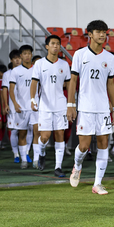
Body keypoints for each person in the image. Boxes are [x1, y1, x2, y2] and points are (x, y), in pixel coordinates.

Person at [67, 20, 114, 195]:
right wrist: (71, 105)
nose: (102, 35)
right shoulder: (79, 55)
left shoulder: (110, 58)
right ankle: (77, 166)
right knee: (84, 146)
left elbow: (111, 84)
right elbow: (73, 81)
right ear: (89, 34)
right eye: (98, 31)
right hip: (85, 108)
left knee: (104, 144)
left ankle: (97, 184)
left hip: (103, 108)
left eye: (104, 32)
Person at [30, 35, 71, 177]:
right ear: (47, 46)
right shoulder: (40, 64)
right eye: (53, 43)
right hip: (45, 106)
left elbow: (69, 84)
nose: (55, 46)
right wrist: (32, 99)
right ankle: (41, 153)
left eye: (58, 44)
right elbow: (34, 83)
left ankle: (58, 167)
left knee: (60, 134)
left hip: (60, 105)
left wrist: (71, 103)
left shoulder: (64, 65)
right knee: (45, 137)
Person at [9, 45, 39, 169]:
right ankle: (23, 160)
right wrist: (15, 104)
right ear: (21, 56)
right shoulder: (15, 71)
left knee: (37, 133)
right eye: (24, 53)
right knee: (22, 134)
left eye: (29, 53)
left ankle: (36, 160)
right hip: (21, 107)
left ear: (31, 55)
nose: (27, 55)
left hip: (35, 107)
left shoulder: (37, 69)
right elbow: (11, 90)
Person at [2, 50, 21, 163]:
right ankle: (16, 154)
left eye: (19, 57)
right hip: (13, 107)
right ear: (11, 60)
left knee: (27, 131)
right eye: (15, 58)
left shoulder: (28, 71)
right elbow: (5, 90)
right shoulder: (7, 74)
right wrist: (6, 104)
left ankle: (26, 153)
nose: (17, 60)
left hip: (26, 106)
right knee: (14, 131)